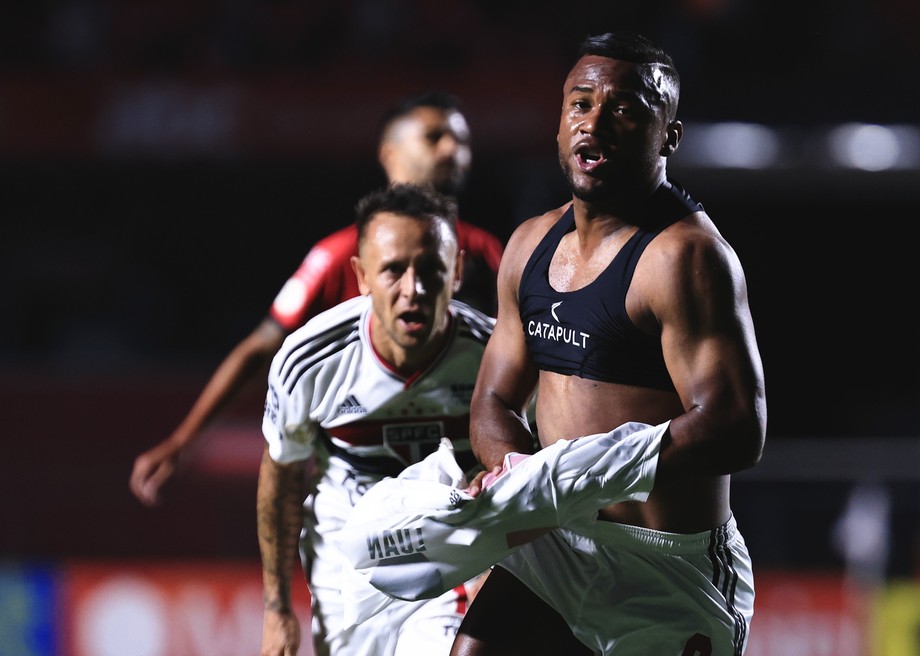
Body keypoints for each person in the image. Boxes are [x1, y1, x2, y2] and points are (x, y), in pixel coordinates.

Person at [450, 32, 768, 656]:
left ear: (667, 136)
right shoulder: (529, 244)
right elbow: (492, 400)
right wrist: (523, 480)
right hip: (559, 548)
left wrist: (585, 472)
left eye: (624, 108)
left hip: (665, 568)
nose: (595, 122)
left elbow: (737, 426)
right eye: (580, 103)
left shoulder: (687, 258)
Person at [129, 90, 503, 507]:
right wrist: (184, 440)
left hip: (461, 492)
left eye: (462, 140)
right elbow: (261, 349)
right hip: (360, 495)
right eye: (435, 137)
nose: (454, 149)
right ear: (391, 154)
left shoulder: (488, 254)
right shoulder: (336, 257)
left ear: (455, 273)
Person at [258, 183, 494, 656]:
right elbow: (282, 476)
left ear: (458, 272)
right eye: (393, 271)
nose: (414, 289)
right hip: (346, 554)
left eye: (431, 269)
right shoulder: (309, 360)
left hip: (450, 547)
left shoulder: (494, 357)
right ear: (362, 276)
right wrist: (277, 606)